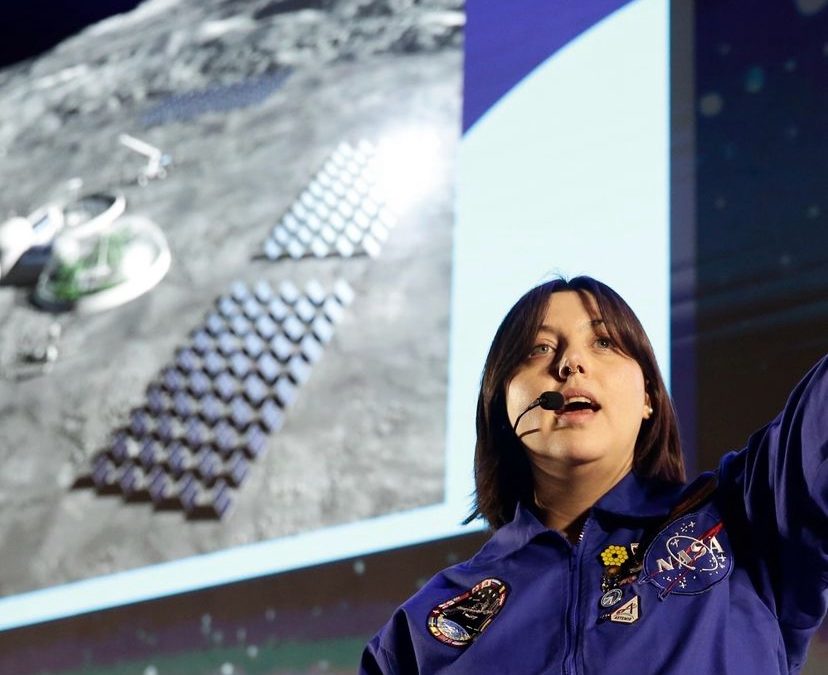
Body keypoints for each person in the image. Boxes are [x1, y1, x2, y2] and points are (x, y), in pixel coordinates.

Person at [360, 276, 827, 674]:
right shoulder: (421, 628)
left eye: (603, 342)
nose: (570, 364)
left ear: (648, 396)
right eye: (538, 349)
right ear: (502, 408)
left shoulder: (746, 514)